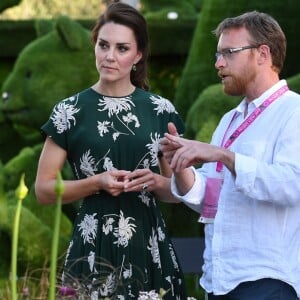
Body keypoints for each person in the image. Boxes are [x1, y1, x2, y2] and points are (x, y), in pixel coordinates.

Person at [35, 2, 187, 298]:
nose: (109, 56)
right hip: (91, 245)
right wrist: (96, 182)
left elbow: (177, 193)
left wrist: (156, 183)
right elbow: (43, 189)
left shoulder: (161, 110)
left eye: (121, 48)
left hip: (148, 244)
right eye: (103, 45)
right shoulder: (69, 111)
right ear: (95, 46)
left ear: (138, 55)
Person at [160, 11, 300, 300]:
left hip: (270, 280)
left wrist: (224, 156)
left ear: (263, 54)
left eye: (228, 53)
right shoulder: (229, 121)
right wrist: (180, 164)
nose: (218, 63)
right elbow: (210, 198)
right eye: (217, 54)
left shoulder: (294, 112)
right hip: (219, 280)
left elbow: (292, 185)